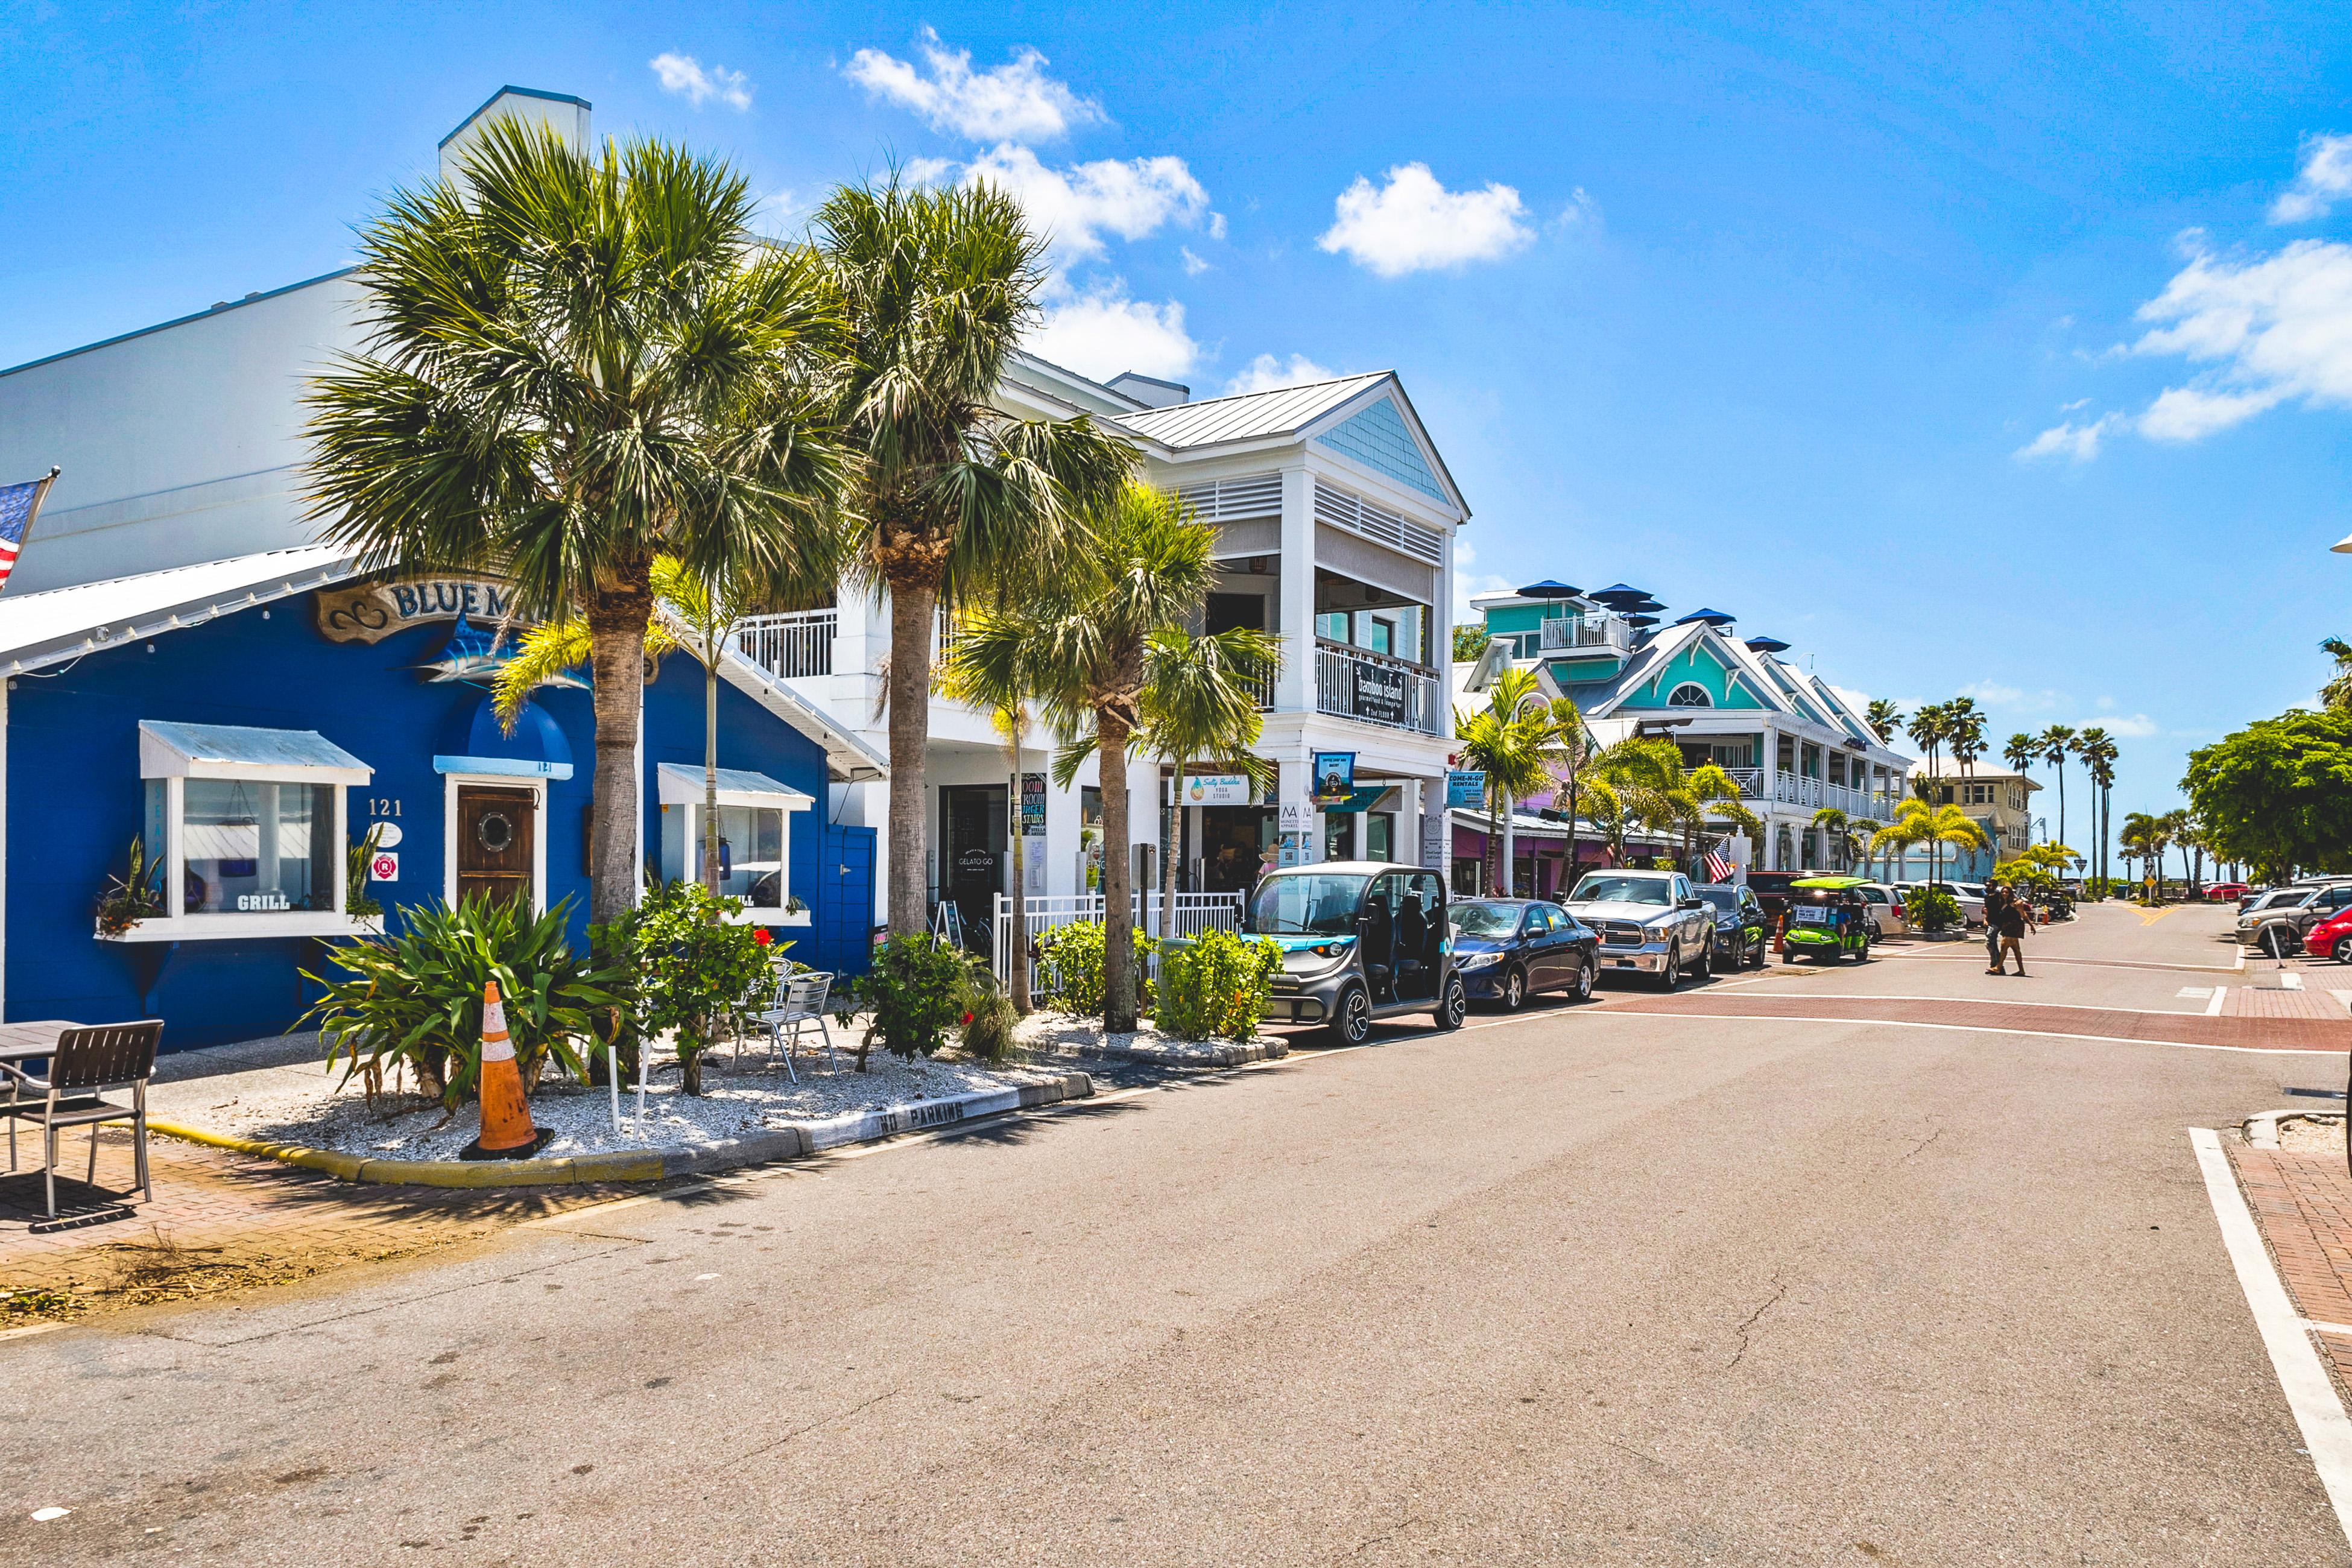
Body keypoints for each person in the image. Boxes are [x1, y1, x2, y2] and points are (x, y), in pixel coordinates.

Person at [1993, 885, 2034, 975]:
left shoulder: (2015, 902)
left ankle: (1998, 967)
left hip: (2014, 926)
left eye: (2007, 892)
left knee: (2004, 946)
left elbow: (2023, 914)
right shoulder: (2003, 902)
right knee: (2016, 949)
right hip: (2007, 926)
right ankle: (2021, 970)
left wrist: (2031, 925)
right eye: (2003, 892)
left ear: (2010, 893)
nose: (2004, 894)